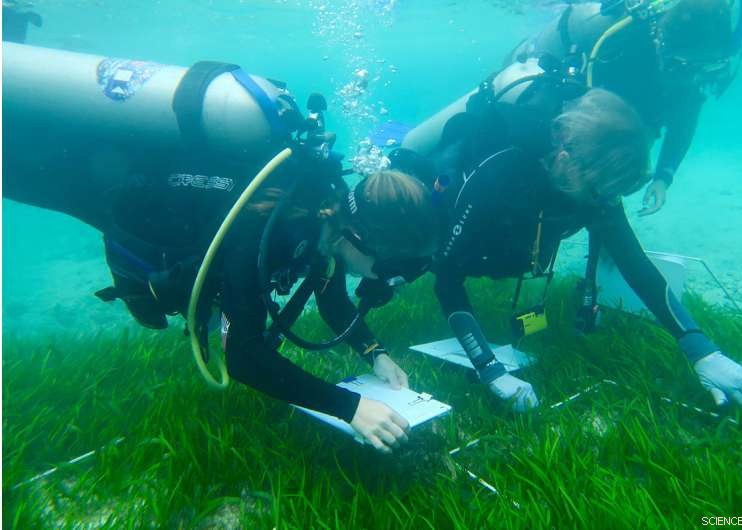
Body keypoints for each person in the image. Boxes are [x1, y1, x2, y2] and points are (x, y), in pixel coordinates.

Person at [4, 51, 440, 454]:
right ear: (359, 238)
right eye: (386, 268)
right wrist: (350, 408)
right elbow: (245, 357)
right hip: (103, 185)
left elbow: (330, 297)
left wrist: (375, 353)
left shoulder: (328, 212)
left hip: (116, 179)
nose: (384, 280)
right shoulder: (264, 229)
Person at [395, 86, 742, 419]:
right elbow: (446, 277)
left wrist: (700, 349)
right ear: (568, 164)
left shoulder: (596, 191)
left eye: (615, 195)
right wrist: (490, 369)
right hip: (468, 238)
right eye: (603, 193)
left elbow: (636, 264)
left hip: (519, 249)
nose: (608, 205)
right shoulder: (500, 175)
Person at [508, 0, 742, 215]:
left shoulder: (692, 67)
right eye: (684, 64)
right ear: (662, 44)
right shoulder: (621, 45)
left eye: (706, 66)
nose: (691, 76)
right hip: (574, 97)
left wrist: (664, 177)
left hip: (624, 114)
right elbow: (576, 117)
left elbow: (684, 123)